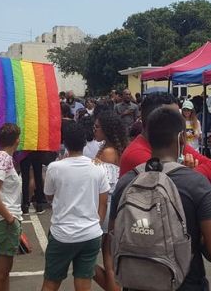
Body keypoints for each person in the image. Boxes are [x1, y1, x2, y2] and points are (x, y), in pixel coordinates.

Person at [106, 107, 211, 290]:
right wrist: (193, 236)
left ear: (147, 136)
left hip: (136, 284)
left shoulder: (126, 182)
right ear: (181, 138)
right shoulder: (195, 184)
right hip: (185, 284)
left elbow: (113, 238)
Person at [42, 123, 109, 291]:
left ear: (65, 143)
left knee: (51, 283)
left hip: (62, 234)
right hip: (91, 234)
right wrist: (97, 225)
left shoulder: (55, 167)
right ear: (84, 143)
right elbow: (103, 202)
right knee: (83, 283)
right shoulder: (98, 167)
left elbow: (48, 195)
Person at [119, 92, 211, 187]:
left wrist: (187, 174)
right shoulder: (136, 154)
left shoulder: (172, 142)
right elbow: (172, 185)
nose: (180, 122)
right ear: (154, 119)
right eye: (173, 117)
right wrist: (188, 173)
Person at [90, 111, 126, 290]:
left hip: (106, 208)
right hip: (113, 207)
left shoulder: (108, 152)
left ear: (107, 130)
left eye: (97, 127)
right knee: (109, 259)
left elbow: (100, 185)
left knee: (106, 260)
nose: (94, 130)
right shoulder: (113, 149)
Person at [0, 124, 24, 291]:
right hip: (4, 219)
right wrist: (9, 218)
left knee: (4, 271)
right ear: (17, 140)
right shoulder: (5, 160)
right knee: (1, 272)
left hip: (2, 218)